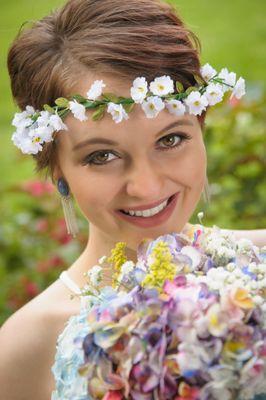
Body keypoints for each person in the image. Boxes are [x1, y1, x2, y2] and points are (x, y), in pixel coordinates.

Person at [0, 0, 265, 399]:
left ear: (200, 127)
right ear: (57, 171)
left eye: (171, 139)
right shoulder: (25, 347)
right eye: (101, 156)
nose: (146, 186)